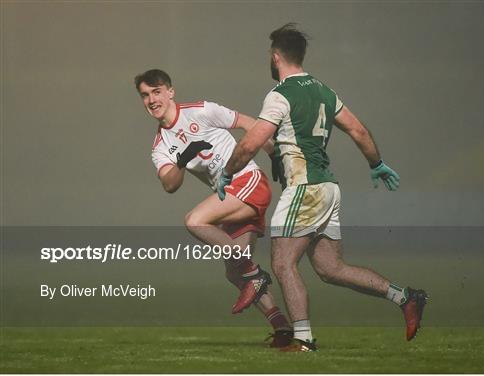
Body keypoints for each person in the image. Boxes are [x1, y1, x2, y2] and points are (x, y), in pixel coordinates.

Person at [217, 24, 428, 352]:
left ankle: (303, 340)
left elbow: (251, 143)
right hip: (328, 188)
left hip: (304, 189)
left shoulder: (281, 95)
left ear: (276, 57)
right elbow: (358, 130)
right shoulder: (325, 92)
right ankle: (405, 297)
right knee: (331, 268)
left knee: (283, 263)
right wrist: (376, 163)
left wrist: (227, 173)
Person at [135, 69, 292, 347]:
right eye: (145, 95)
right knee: (234, 272)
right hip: (229, 199)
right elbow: (170, 184)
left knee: (195, 220)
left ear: (170, 91)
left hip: (247, 182)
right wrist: (183, 157)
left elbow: (249, 123)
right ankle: (282, 329)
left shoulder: (201, 110)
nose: (151, 99)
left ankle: (255, 274)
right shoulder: (160, 146)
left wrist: (274, 153)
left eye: (156, 91)